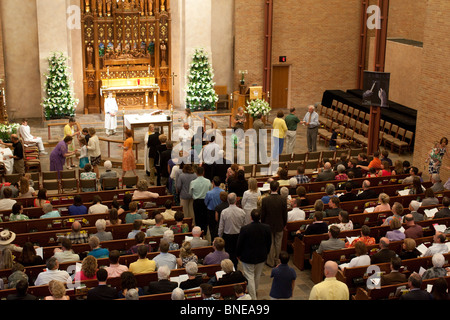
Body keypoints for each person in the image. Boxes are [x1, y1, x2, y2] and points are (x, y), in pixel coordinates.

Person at [236, 209, 272, 300]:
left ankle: (253, 297)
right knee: (257, 275)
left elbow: (240, 243)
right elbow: (269, 242)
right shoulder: (266, 227)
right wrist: (266, 252)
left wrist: (238, 254)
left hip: (248, 256)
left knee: (250, 276)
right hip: (261, 256)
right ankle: (254, 291)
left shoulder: (245, 229)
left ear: (251, 217)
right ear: (260, 217)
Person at [261, 181, 287, 268]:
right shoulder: (282, 200)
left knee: (270, 243)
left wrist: (263, 224)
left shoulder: (265, 200)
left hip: (268, 225)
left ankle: (270, 261)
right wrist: (284, 224)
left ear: (270, 189)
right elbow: (285, 214)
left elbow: (263, 214)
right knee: (278, 243)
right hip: (279, 224)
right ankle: (277, 261)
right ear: (278, 188)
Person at [218, 192, 247, 267]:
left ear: (228, 200)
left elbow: (221, 226)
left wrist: (220, 236)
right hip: (238, 235)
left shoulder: (224, 212)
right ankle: (235, 267)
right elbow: (244, 226)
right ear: (236, 200)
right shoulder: (242, 212)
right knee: (236, 253)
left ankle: (230, 267)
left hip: (227, 236)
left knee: (229, 253)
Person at [189, 166, 211, 234]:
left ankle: (198, 232)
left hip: (197, 202)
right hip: (205, 201)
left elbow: (190, 193)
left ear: (196, 173)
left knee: (197, 217)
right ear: (203, 172)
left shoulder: (193, 182)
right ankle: (204, 231)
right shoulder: (208, 181)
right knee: (205, 217)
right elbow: (210, 191)